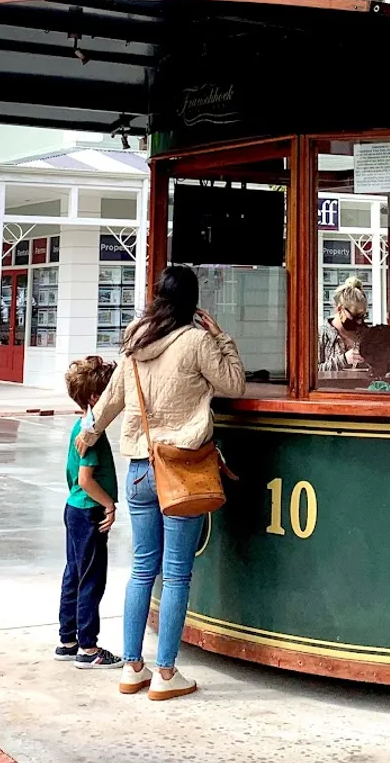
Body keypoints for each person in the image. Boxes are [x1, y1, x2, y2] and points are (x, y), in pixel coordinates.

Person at [77, 266, 245, 701]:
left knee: (142, 570)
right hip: (180, 469)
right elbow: (234, 383)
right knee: (176, 575)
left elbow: (111, 399)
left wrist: (88, 434)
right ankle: (167, 672)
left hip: (138, 469)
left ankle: (133, 667)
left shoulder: (135, 344)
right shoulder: (196, 342)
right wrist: (221, 336)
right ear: (194, 303)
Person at [57, 355, 121, 669]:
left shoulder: (80, 426)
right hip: (88, 511)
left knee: (74, 574)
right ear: (97, 398)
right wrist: (109, 504)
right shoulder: (90, 433)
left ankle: (67, 639)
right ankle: (88, 647)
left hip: (74, 509)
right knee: (91, 579)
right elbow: (86, 478)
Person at [318, 275, 369, 372]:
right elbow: (310, 373)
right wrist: (344, 360)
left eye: (362, 316)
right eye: (354, 316)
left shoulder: (366, 335)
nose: (359, 322)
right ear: (340, 309)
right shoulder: (321, 336)